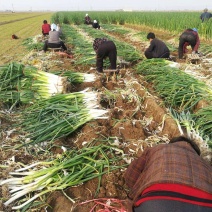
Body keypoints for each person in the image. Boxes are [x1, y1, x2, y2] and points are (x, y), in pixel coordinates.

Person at [124, 136, 212, 212]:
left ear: (172, 143)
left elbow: (131, 176)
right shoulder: (206, 165)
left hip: (157, 203)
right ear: (196, 153)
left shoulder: (158, 149)